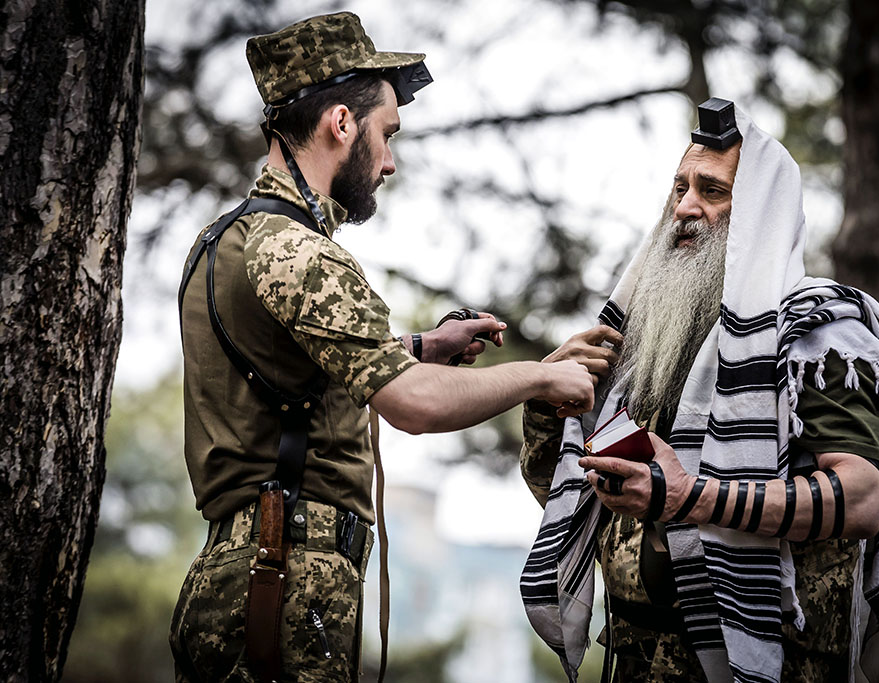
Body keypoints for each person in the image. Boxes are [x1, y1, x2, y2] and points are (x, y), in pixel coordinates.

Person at [168, 12, 595, 683]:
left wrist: (420, 345)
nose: (391, 161)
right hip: (287, 576)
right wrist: (540, 379)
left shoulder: (225, 240)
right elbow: (415, 405)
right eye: (387, 134)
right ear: (341, 123)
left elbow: (292, 366)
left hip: (250, 571)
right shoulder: (301, 252)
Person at [519, 103, 879, 683]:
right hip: (639, 658)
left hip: (777, 664)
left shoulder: (819, 337)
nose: (685, 207)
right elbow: (578, 500)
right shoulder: (652, 341)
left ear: (760, 214)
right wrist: (547, 403)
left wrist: (691, 498)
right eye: (680, 188)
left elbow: (862, 500)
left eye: (712, 191)